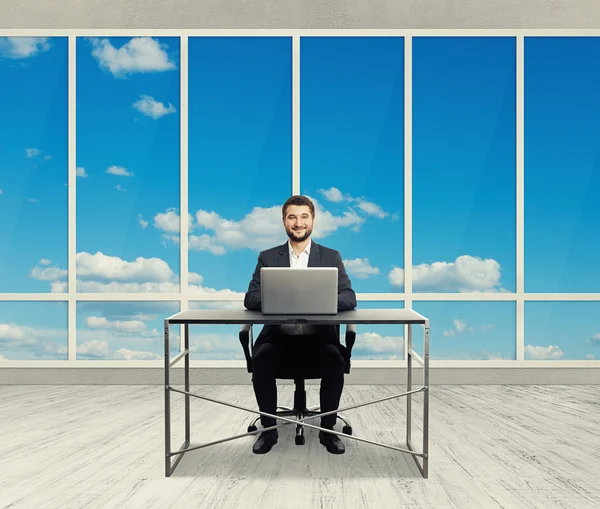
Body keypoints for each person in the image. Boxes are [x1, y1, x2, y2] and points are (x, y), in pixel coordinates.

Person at [244, 195, 357, 455]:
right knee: (261, 360)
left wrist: (316, 303)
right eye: (292, 217)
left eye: (304, 216)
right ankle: (268, 431)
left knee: (334, 361)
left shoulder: (330, 256)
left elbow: (349, 297)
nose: (298, 223)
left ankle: (328, 432)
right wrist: (283, 300)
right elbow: (250, 297)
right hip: (278, 338)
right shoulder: (268, 257)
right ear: (284, 221)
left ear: (313, 220)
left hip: (319, 339)